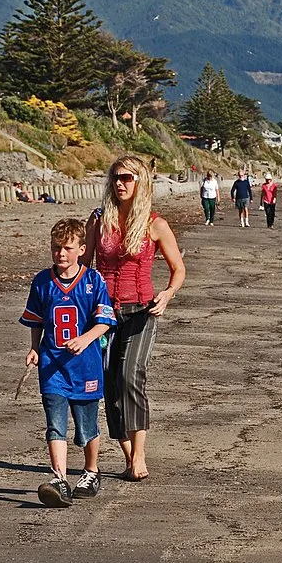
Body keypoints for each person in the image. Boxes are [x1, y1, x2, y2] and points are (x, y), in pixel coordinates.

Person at [85, 155, 187, 481]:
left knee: (131, 377)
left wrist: (167, 295)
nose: (120, 183)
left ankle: (140, 454)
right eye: (116, 177)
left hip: (142, 311)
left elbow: (178, 269)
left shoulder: (155, 224)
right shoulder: (99, 221)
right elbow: (84, 266)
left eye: (127, 178)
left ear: (140, 181)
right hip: (103, 314)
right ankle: (129, 456)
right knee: (109, 386)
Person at [20, 218, 117, 508]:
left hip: (85, 365)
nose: (60, 253)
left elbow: (105, 321)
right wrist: (34, 348)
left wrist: (86, 339)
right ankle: (59, 477)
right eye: (55, 248)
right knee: (55, 424)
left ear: (82, 249)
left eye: (67, 248)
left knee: (86, 426)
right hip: (52, 365)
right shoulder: (42, 282)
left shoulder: (92, 281)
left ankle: (91, 470)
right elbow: (35, 320)